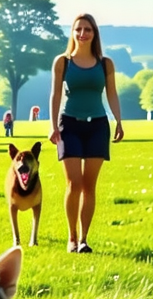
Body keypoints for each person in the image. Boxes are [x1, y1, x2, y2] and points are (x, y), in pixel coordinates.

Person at [49, 13, 124, 253]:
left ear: (94, 34)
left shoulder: (105, 64)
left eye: (88, 29)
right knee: (74, 183)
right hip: (69, 125)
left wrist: (119, 121)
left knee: (90, 186)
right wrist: (53, 126)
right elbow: (55, 95)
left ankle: (84, 239)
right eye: (78, 29)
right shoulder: (63, 62)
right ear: (72, 32)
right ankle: (71, 237)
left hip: (97, 126)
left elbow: (111, 93)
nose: (83, 34)